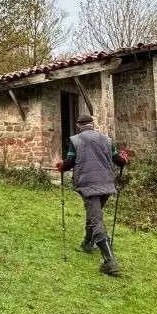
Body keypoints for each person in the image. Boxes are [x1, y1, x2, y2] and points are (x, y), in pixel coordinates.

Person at [55, 113, 128, 276]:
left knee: (96, 219)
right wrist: (124, 159)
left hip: (88, 185)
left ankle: (110, 262)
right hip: (106, 184)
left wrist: (61, 166)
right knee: (94, 214)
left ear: (78, 125)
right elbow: (119, 160)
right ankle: (87, 243)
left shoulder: (75, 140)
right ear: (92, 125)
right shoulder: (107, 140)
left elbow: (69, 163)